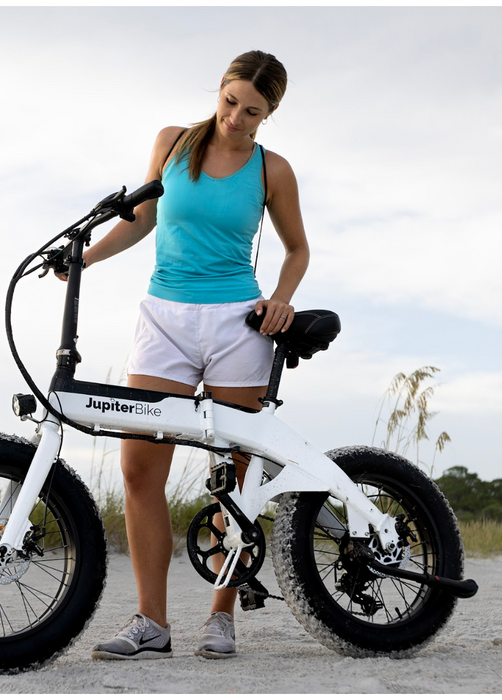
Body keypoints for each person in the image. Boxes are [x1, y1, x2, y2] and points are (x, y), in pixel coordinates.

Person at [67, 50, 309, 659]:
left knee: (235, 476)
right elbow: (144, 219)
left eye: (252, 111)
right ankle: (152, 622)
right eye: (229, 102)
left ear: (269, 112)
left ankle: (221, 616)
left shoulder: (272, 170)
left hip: (238, 325)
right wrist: (86, 257)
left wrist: (281, 299)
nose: (234, 118)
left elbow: (297, 250)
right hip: (164, 319)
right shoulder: (172, 143)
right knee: (139, 468)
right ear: (220, 91)